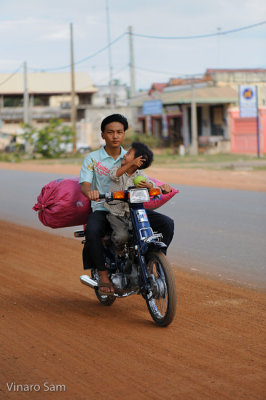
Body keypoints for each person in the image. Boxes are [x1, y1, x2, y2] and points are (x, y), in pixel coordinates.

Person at [79, 114, 174, 295]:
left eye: (119, 132)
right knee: (92, 230)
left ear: (124, 134)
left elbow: (143, 179)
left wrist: (158, 187)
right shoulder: (92, 158)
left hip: (132, 208)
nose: (115, 136)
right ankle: (104, 275)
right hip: (105, 208)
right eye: (110, 132)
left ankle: (153, 263)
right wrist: (90, 192)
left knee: (167, 224)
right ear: (103, 135)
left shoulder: (131, 155)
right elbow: (85, 184)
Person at [104, 141, 155, 253]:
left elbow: (152, 184)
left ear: (138, 161)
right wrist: (131, 164)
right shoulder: (118, 169)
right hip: (115, 213)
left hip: (133, 213)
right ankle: (116, 249)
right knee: (121, 237)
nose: (124, 155)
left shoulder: (140, 175)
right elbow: (114, 175)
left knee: (141, 234)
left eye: (129, 153)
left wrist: (148, 185)